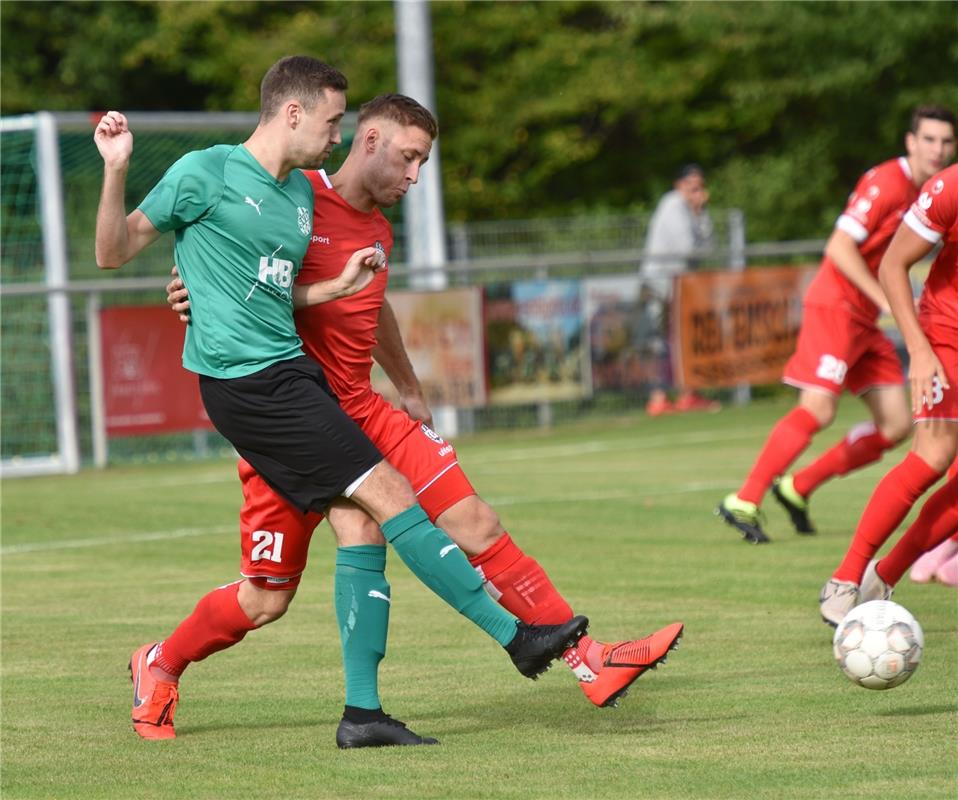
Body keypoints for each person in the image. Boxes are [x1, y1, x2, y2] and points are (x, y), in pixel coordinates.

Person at [95, 57, 588, 747]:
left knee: (292, 580)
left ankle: (353, 713)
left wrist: (337, 288)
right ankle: (516, 639)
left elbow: (274, 294)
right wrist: (118, 169)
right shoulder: (203, 172)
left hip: (295, 381)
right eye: (332, 121)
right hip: (251, 389)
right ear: (293, 113)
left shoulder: (296, 199)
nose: (337, 134)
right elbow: (112, 252)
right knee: (389, 497)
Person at [167, 93, 684, 730]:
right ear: (370, 140)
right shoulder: (293, 201)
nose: (415, 177)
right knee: (265, 599)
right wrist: (189, 289)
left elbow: (370, 305)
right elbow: (229, 266)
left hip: (365, 406)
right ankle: (161, 662)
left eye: (423, 164)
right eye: (409, 159)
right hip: (294, 420)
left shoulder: (379, 228)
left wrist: (408, 385)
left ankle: (587, 661)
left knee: (478, 524)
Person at [717, 106, 956, 544]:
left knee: (897, 426)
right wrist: (885, 296)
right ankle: (745, 499)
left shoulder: (936, 190)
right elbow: (839, 247)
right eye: (929, 139)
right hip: (837, 307)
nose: (937, 150)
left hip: (865, 319)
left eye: (945, 141)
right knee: (819, 408)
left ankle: (798, 486)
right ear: (910, 142)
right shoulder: (888, 182)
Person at [820, 162, 958, 625]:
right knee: (934, 456)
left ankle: (885, 575)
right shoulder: (951, 186)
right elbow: (892, 263)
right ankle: (845, 576)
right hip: (946, 332)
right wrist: (919, 349)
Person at [639, 163, 719, 416]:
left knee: (683, 338)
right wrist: (696, 213)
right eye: (690, 186)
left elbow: (710, 247)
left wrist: (700, 212)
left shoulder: (693, 210)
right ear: (679, 185)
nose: (696, 191)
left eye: (699, 186)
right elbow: (687, 248)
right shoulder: (673, 204)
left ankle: (688, 394)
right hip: (659, 282)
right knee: (659, 339)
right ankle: (659, 398)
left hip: (680, 284)